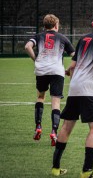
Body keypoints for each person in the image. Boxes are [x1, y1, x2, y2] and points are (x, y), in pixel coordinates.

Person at [51, 10, 93, 178]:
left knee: (67, 126)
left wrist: (68, 71)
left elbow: (72, 65)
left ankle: (55, 168)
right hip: (89, 89)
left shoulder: (84, 38)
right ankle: (87, 171)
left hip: (74, 87)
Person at [25, 14, 75, 146]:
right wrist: (70, 69)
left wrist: (35, 59)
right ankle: (54, 131)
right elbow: (74, 55)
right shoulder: (62, 38)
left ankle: (38, 126)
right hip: (57, 71)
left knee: (40, 97)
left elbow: (27, 47)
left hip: (41, 70)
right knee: (56, 102)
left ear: (44, 26)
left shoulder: (38, 36)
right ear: (56, 25)